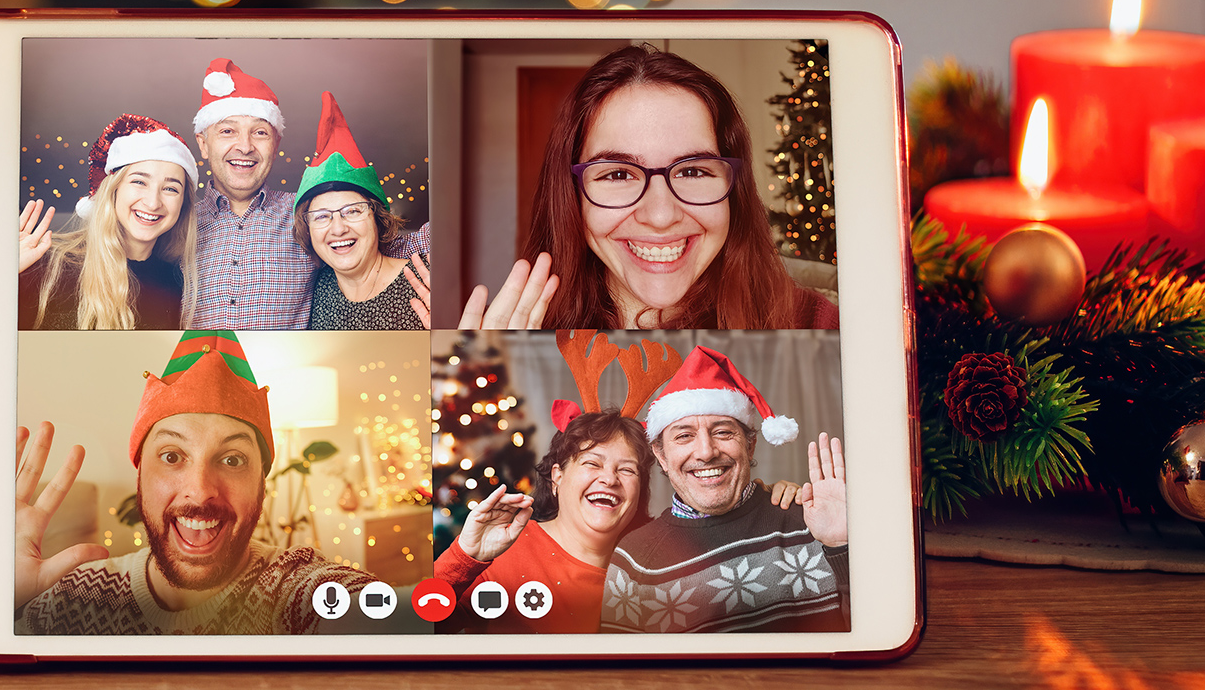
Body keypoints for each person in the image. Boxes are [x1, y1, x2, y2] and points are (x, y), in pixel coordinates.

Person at [15, 331, 377, 635]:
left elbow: (374, 612)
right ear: (140, 472)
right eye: (172, 456)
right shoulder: (71, 599)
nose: (201, 490)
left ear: (261, 481)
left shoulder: (302, 591)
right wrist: (7, 605)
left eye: (232, 459)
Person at [432, 333, 795, 634]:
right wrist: (466, 557)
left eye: (627, 470)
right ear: (557, 477)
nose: (609, 478)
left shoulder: (660, 553)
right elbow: (422, 624)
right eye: (592, 463)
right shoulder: (503, 550)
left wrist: (764, 500)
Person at [461, 44, 839, 330]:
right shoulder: (512, 337)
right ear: (571, 197)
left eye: (692, 171)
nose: (660, 216)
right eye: (618, 174)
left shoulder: (818, 326)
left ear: (733, 188)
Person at [602, 345, 849, 634]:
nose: (706, 452)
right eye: (684, 436)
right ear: (661, 456)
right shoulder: (634, 560)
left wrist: (842, 546)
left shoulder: (815, 522)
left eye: (722, 432)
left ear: (750, 444)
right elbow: (624, 673)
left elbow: (872, 636)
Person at [186, 58, 429, 329]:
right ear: (203, 144)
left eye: (260, 132)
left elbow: (381, 245)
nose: (244, 146)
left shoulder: (305, 215)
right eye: (228, 131)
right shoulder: (178, 225)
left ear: (275, 144)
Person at [19, 114, 197, 330]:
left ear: (183, 203)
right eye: (139, 181)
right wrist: (1, 278)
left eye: (170, 188)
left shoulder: (177, 284)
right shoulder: (48, 265)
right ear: (113, 190)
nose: (152, 202)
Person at [294, 92, 431, 330]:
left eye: (353, 211)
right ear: (308, 230)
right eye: (322, 216)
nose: (338, 228)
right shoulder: (317, 289)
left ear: (378, 218)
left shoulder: (428, 283)